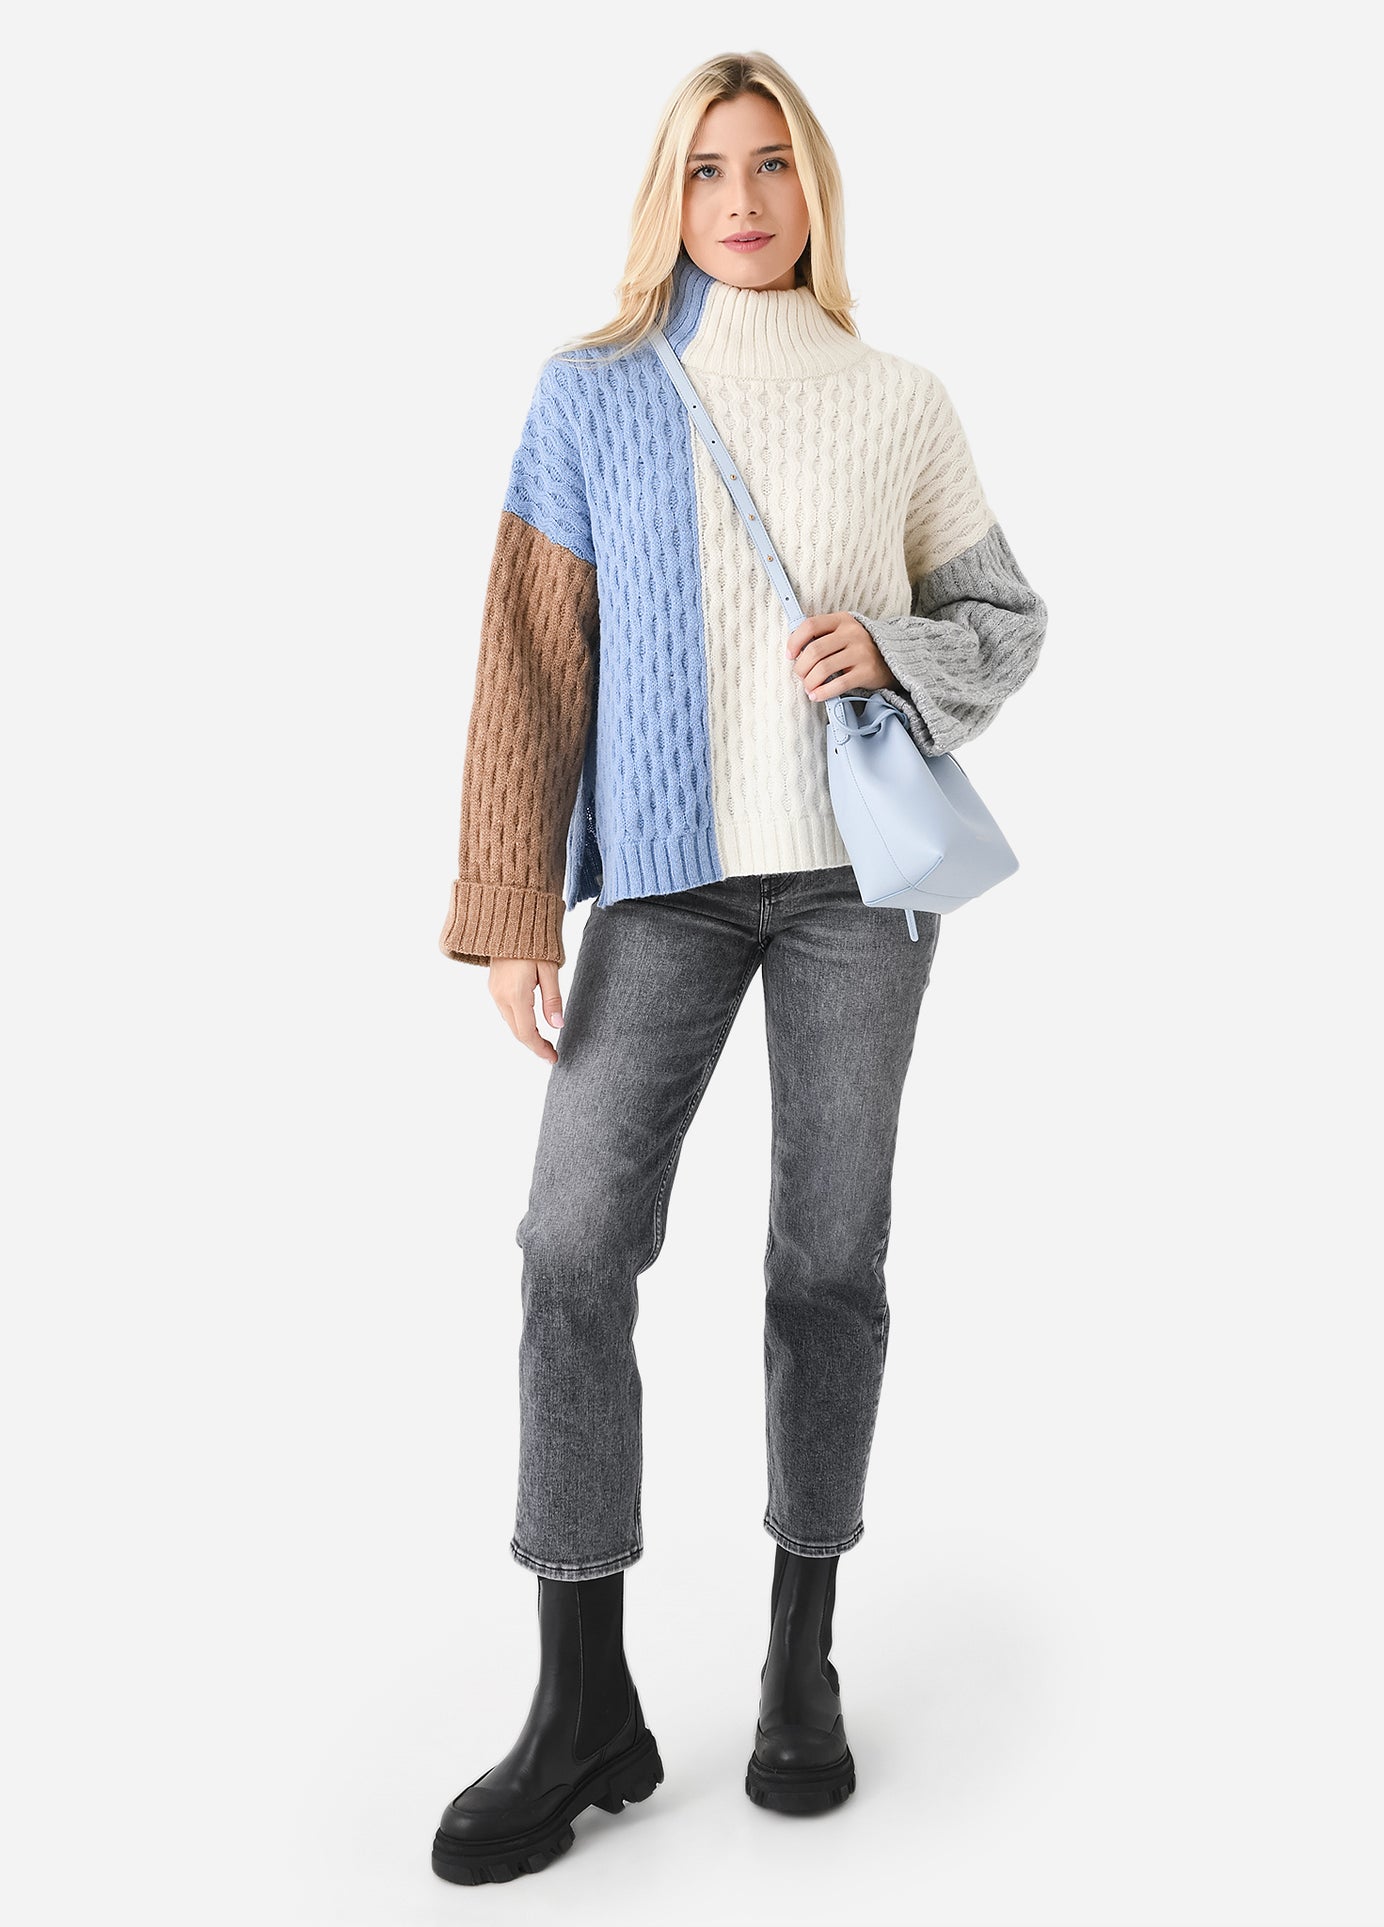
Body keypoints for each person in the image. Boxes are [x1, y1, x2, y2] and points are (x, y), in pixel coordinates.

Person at [430, 49, 1049, 1887]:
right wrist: (511, 905)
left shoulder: (899, 399)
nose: (743, 199)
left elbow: (1005, 619)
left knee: (827, 1261)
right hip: (664, 893)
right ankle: (582, 1704)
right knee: (569, 1246)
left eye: (771, 164)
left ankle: (798, 1662)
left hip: (859, 890)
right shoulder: (593, 392)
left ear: (812, 186)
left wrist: (896, 654)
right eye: (707, 169)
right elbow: (529, 656)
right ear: (669, 195)